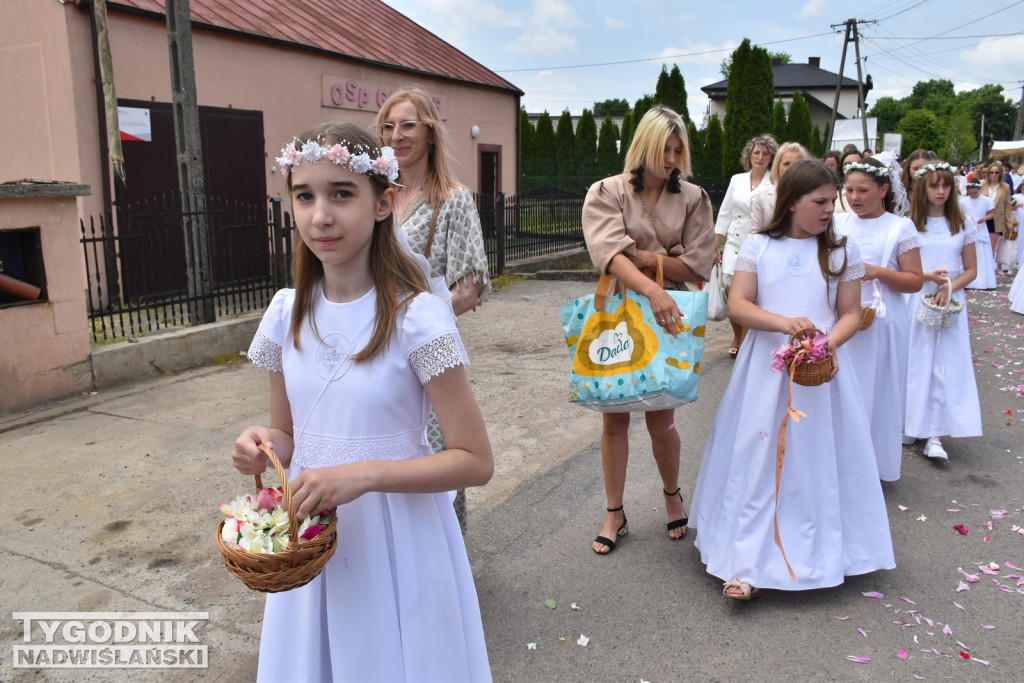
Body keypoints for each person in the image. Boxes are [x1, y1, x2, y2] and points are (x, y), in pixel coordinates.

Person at [231, 121, 493, 681]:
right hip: (313, 538)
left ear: (384, 202)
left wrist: (363, 475)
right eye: (305, 196)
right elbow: (290, 435)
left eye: (341, 194)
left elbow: (476, 460)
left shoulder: (415, 316)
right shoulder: (287, 314)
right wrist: (263, 446)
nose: (320, 215)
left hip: (399, 540)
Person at [690, 159, 894, 599]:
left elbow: (850, 313)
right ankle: (746, 563)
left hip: (821, 373)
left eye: (831, 201)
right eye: (820, 202)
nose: (830, 209)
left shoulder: (843, 250)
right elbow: (740, 305)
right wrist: (784, 325)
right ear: (793, 202)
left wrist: (827, 343)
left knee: (817, 461)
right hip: (765, 370)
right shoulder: (760, 246)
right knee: (757, 457)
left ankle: (821, 553)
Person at [581, 105, 715, 554]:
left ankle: (672, 496)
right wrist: (655, 281)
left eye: (679, 149)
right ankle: (614, 511)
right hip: (623, 308)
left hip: (672, 311)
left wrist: (641, 257)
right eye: (665, 148)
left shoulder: (693, 198)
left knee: (663, 420)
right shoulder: (607, 191)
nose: (672, 157)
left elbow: (698, 262)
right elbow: (609, 254)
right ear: (643, 146)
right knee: (614, 416)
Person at [375, 86, 492, 533]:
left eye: (408, 125)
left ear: (429, 134)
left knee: (441, 460)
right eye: (388, 126)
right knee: (388, 456)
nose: (397, 135)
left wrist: (413, 324)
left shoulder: (452, 199)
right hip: (376, 349)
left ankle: (449, 572)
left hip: (428, 352)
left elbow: (469, 291)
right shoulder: (376, 196)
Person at [834, 155, 923, 481]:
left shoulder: (900, 227)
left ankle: (872, 466)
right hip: (845, 319)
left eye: (863, 190)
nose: (855, 198)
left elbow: (915, 280)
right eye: (850, 190)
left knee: (878, 391)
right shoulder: (840, 223)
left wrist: (878, 272)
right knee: (846, 390)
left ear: (884, 189)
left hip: (882, 321)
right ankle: (842, 461)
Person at [904, 161, 982, 460]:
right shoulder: (909, 224)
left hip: (948, 300)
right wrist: (926, 277)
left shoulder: (962, 224)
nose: (940, 191)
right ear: (923, 188)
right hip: (917, 298)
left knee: (942, 364)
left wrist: (949, 286)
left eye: (945, 185)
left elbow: (972, 269)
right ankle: (912, 422)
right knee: (914, 361)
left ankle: (935, 433)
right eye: (934, 185)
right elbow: (901, 266)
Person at [715, 134, 778, 356]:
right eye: (756, 152)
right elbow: (725, 213)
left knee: (750, 298)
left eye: (765, 154)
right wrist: (715, 246)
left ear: (771, 158)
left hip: (758, 245)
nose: (760, 157)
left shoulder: (776, 183)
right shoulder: (737, 179)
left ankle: (748, 339)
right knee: (732, 296)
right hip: (733, 244)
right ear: (749, 155)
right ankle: (737, 334)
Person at [750, 142, 811, 232]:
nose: (791, 168)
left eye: (796, 164)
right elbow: (754, 232)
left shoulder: (814, 195)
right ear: (777, 166)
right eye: (786, 164)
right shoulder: (763, 196)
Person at [961, 179, 997, 289]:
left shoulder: (986, 200)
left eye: (975, 193)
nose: (972, 195)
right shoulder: (963, 201)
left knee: (982, 253)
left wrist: (984, 218)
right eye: (970, 193)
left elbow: (992, 214)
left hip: (981, 227)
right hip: (968, 227)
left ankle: (983, 280)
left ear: (979, 190)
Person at [980, 161, 1018, 265]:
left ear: (1000, 174)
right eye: (991, 172)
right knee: (980, 245)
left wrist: (1009, 223)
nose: (993, 175)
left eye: (996, 172)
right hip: (983, 218)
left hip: (997, 218)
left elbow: (1007, 206)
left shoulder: (1005, 187)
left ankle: (989, 267)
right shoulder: (983, 185)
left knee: (992, 246)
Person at [899, 149, 938, 214]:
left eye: (923, 168)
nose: (919, 172)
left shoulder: (938, 189)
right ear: (908, 169)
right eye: (915, 169)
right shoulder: (902, 191)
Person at [833, 147, 863, 214]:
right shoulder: (833, 190)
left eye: (856, 164)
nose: (851, 168)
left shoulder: (869, 191)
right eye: (847, 164)